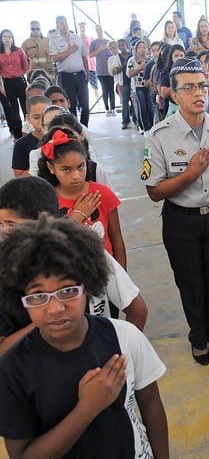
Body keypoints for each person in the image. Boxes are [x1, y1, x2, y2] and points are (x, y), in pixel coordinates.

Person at [0, 213, 168, 458]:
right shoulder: (12, 370)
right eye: (38, 295)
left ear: (88, 286)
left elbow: (151, 403)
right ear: (21, 299)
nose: (55, 307)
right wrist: (86, 409)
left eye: (67, 290)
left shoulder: (125, 337)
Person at [142, 58, 209, 366]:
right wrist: (189, 175)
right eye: (188, 87)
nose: (198, 92)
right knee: (190, 282)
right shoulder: (159, 136)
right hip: (180, 221)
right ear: (174, 95)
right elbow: (154, 192)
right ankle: (198, 337)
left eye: (202, 85)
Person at [0, 176, 148, 356]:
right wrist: (45, 322)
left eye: (11, 225)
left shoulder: (88, 255)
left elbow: (137, 310)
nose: (4, 232)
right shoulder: (6, 273)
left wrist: (120, 359)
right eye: (2, 224)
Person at [38, 127, 126, 271]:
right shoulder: (46, 200)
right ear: (51, 167)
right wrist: (77, 216)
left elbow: (117, 240)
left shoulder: (102, 194)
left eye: (81, 166)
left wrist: (123, 278)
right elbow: (48, 244)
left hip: (105, 272)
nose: (76, 176)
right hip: (66, 275)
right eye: (66, 169)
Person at [49, 16, 91, 126]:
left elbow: (84, 56)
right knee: (70, 104)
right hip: (65, 76)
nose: (64, 25)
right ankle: (74, 127)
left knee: (85, 104)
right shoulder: (54, 40)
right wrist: (69, 51)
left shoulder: (76, 38)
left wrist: (87, 72)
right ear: (57, 26)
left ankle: (84, 127)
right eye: (61, 23)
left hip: (80, 75)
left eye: (65, 22)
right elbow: (54, 58)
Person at [0, 29, 30, 139]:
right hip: (7, 83)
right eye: (5, 37)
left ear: (12, 39)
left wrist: (28, 83)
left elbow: (26, 67)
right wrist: (1, 86)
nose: (7, 39)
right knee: (14, 110)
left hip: (20, 81)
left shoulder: (18, 50)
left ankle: (29, 133)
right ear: (1, 39)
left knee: (25, 108)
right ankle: (17, 135)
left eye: (9, 36)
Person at [12, 95, 51, 177]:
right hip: (36, 186)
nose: (42, 121)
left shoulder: (62, 138)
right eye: (36, 117)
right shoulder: (21, 144)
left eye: (46, 116)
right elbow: (19, 176)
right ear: (28, 118)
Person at [89, 25, 116, 116]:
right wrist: (99, 49)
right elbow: (91, 55)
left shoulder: (108, 41)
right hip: (100, 71)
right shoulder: (94, 43)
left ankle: (113, 108)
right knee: (104, 90)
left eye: (100, 29)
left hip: (110, 70)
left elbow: (114, 52)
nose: (99, 31)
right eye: (97, 29)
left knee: (111, 89)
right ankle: (107, 108)